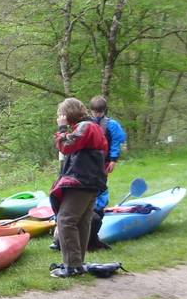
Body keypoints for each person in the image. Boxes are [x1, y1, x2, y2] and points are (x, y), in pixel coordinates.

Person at [49, 97, 108, 277]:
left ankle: (72, 265)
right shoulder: (91, 127)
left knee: (66, 220)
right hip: (90, 181)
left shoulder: (85, 127)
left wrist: (61, 128)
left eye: (61, 114)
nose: (60, 117)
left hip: (81, 181)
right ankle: (77, 263)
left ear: (68, 114)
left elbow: (66, 147)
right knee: (81, 221)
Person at [88, 96, 128, 248]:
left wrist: (113, 159)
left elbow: (117, 142)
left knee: (100, 187)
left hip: (104, 162)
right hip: (89, 162)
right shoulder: (87, 123)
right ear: (91, 111)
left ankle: (97, 211)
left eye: (99, 112)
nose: (97, 114)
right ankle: (89, 213)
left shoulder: (112, 125)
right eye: (95, 112)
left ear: (104, 111)